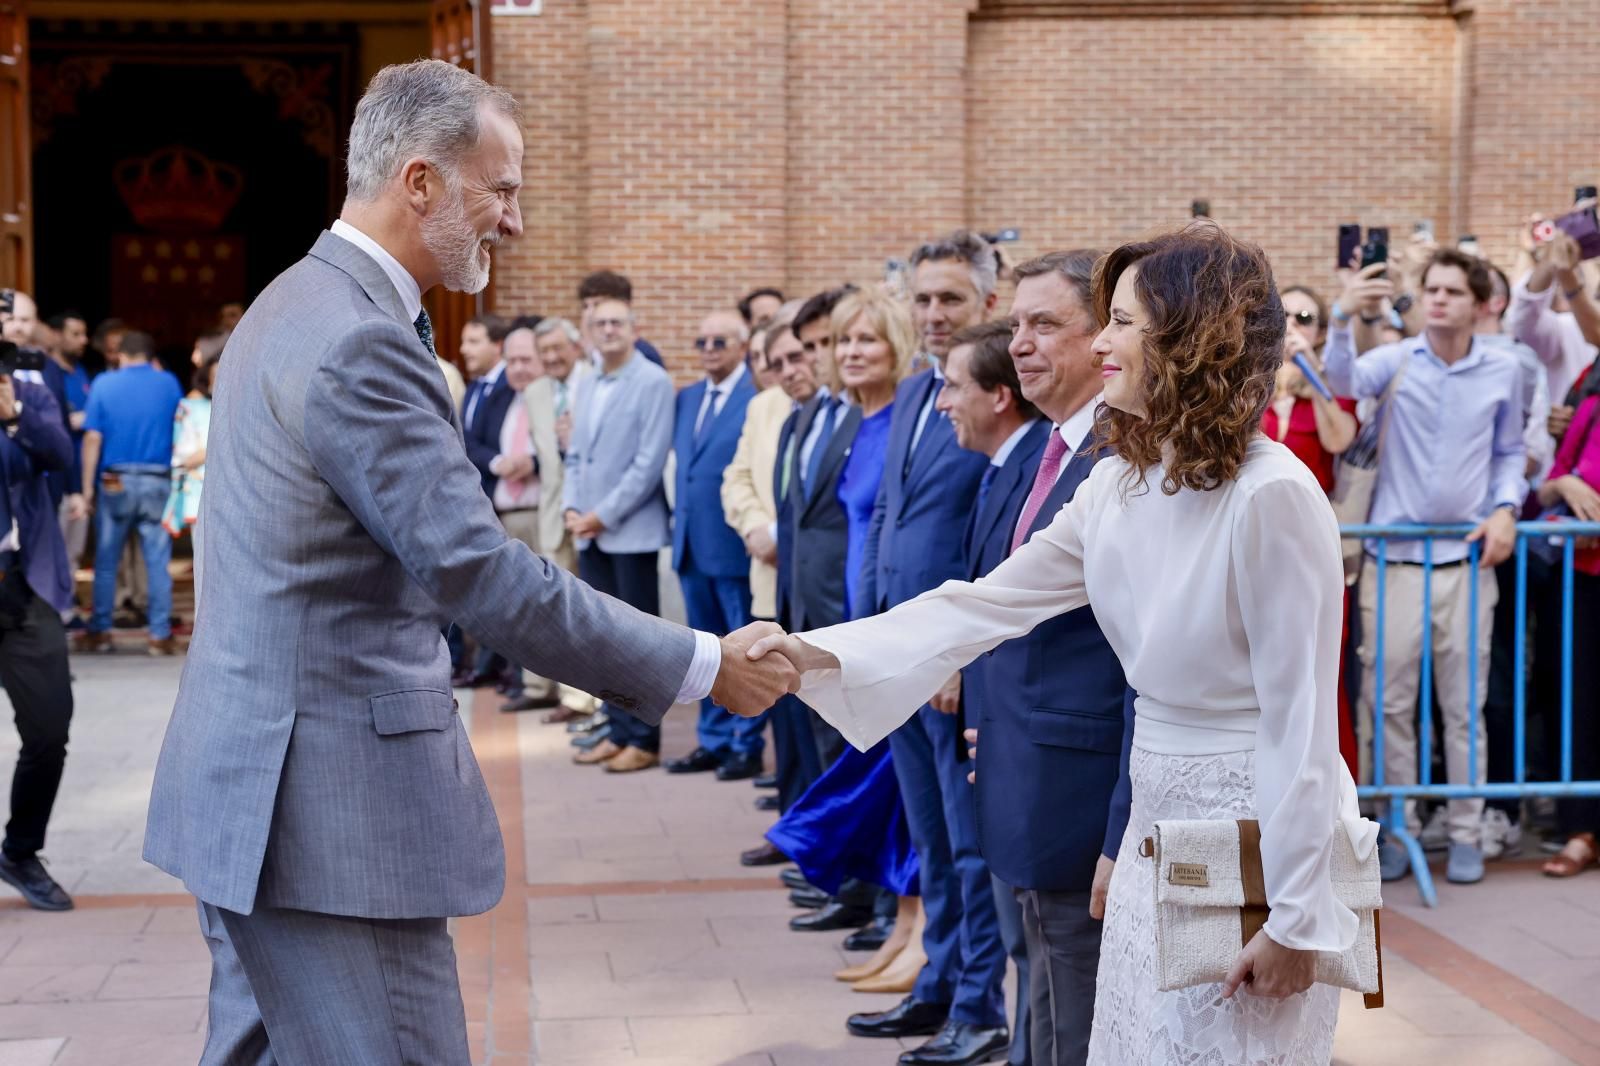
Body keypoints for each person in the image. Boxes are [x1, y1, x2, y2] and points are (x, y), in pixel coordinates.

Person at [141, 60, 797, 1066]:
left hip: (250, 793)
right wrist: (703, 666)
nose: (515, 220)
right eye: (503, 187)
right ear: (420, 182)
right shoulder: (362, 337)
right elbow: (480, 574)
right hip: (330, 817)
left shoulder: (290, 299)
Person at [745, 224, 1373, 1066]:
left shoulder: (1275, 496)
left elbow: (1300, 724)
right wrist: (815, 654)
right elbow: (982, 605)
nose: (1101, 341)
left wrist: (1299, 918)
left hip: (1251, 843)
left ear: (1190, 338)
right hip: (1158, 832)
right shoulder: (1120, 481)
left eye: (1120, 322)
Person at [967, 251, 1135, 1066]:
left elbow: (1141, 663)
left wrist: (1120, 826)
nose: (1022, 344)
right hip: (1017, 770)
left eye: (1044, 325)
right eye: (1015, 326)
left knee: (1077, 1009)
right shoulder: (1040, 451)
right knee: (1034, 983)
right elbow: (991, 602)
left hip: (1080, 791)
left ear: (1099, 336)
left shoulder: (1120, 459)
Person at [845, 231, 1007, 1064]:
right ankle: (939, 982)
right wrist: (873, 635)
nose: (934, 314)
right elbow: (885, 517)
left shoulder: (1002, 392)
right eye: (923, 298)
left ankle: (979, 1004)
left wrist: (961, 654)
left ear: (988, 301)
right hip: (895, 658)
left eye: (950, 298)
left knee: (969, 839)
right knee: (929, 836)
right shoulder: (913, 395)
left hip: (950, 664)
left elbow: (997, 537)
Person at [1325, 247, 1526, 887]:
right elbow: (1343, 381)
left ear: (1478, 303)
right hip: (1392, 561)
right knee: (1389, 703)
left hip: (1467, 559)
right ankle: (1398, 826)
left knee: (1464, 703)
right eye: (1431, 289)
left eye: (1453, 291)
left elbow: (1511, 452)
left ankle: (1467, 831)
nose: (1439, 300)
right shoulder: (1394, 359)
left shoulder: (1503, 370)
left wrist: (1505, 508)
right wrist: (1339, 318)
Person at [934, 318, 1049, 1066]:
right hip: (993, 722)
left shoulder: (1041, 463)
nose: (942, 402)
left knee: (1037, 938)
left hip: (1025, 732)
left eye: (953, 386)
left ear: (999, 396)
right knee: (1018, 929)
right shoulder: (1004, 468)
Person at [563, 294, 678, 772]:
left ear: (634, 327)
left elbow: (648, 464)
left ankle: (644, 741)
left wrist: (601, 515)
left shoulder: (653, 382)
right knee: (602, 639)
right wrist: (572, 506)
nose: (607, 330)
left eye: (616, 322)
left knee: (638, 640)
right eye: (599, 323)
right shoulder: (587, 383)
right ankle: (616, 728)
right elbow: (575, 453)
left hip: (629, 532)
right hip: (589, 531)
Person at [666, 310, 762, 779]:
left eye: (718, 341)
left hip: (731, 549)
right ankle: (713, 739)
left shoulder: (756, 398)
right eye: (700, 341)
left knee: (742, 649)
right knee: (703, 653)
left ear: (743, 346)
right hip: (689, 546)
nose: (708, 350)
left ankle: (746, 743)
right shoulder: (688, 399)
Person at [0, 368, 77, 912]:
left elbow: (61, 456)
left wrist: (13, 416)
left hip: (26, 588)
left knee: (50, 730)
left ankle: (20, 852)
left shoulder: (29, 395)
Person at [77, 330, 182, 655]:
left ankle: (101, 632)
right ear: (150, 356)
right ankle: (158, 634)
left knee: (107, 561)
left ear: (120, 355)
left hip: (115, 479)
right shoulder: (168, 383)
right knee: (157, 560)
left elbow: (93, 438)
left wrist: (86, 489)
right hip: (156, 479)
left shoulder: (105, 384)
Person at [488, 326, 562, 713]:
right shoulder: (504, 401)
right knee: (519, 606)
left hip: (539, 514)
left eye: (525, 360)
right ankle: (532, 683)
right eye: (511, 361)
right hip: (506, 514)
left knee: (549, 604)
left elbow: (556, 454)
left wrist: (529, 463)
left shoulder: (556, 398)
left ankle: (557, 688)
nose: (517, 368)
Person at [163, 330, 226, 603]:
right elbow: (182, 458)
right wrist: (220, 440)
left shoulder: (247, 402)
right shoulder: (190, 407)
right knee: (206, 569)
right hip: (202, 493)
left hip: (240, 494)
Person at [578, 271, 664, 367]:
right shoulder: (588, 351)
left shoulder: (643, 355)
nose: (589, 314)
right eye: (585, 306)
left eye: (597, 304)